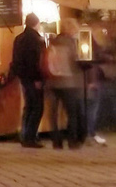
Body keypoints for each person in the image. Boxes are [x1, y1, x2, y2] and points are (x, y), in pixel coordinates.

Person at [43, 18, 85, 149]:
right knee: (71, 113)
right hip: (68, 82)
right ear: (71, 29)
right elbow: (74, 61)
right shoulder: (70, 43)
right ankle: (72, 141)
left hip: (52, 81)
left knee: (53, 114)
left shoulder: (52, 42)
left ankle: (56, 141)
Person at [9, 12, 45, 148]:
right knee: (37, 107)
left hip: (23, 76)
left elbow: (17, 60)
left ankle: (24, 135)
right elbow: (36, 61)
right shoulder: (36, 39)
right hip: (33, 77)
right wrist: (38, 78)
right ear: (36, 23)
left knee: (28, 106)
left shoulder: (19, 38)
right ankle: (30, 137)